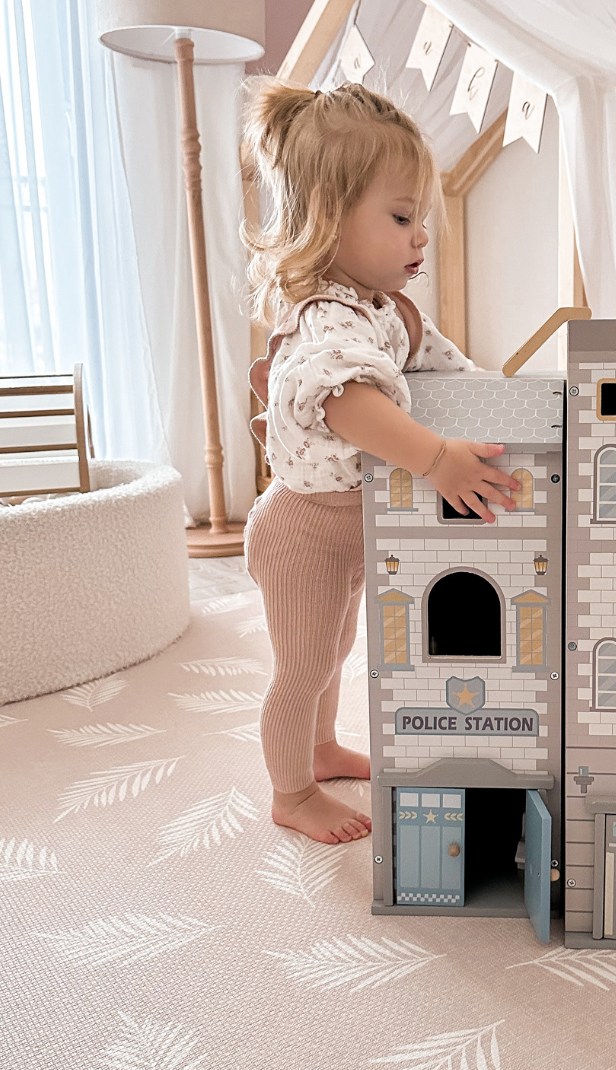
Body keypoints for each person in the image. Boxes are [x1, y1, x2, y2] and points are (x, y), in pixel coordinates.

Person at [241, 79, 518, 845]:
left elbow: (452, 372)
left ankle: (322, 749)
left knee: (334, 649)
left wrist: (511, 409)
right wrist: (436, 459)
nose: (420, 238)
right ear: (329, 220)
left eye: (419, 219)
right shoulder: (328, 316)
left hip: (348, 527)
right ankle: (291, 792)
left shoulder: (389, 311)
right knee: (302, 667)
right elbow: (348, 404)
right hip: (303, 529)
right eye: (400, 219)